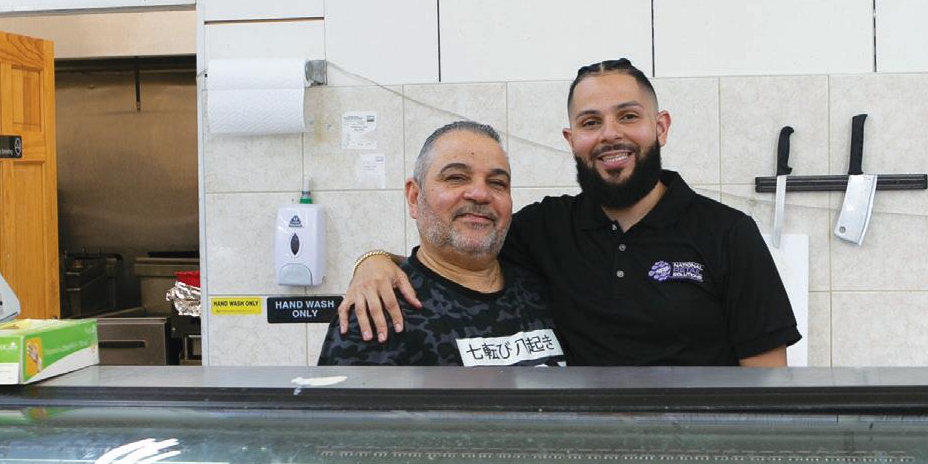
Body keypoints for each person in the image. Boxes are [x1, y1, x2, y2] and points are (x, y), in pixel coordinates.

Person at [337, 59, 799, 366]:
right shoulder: (544, 230)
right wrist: (373, 261)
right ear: (571, 139)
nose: (610, 134)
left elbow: (767, 386)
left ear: (660, 128)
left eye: (628, 116)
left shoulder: (728, 234)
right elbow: (459, 249)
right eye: (591, 122)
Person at [317, 121, 563, 367]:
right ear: (414, 197)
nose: (480, 194)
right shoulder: (378, 311)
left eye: (497, 182)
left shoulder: (545, 288)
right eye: (456, 178)